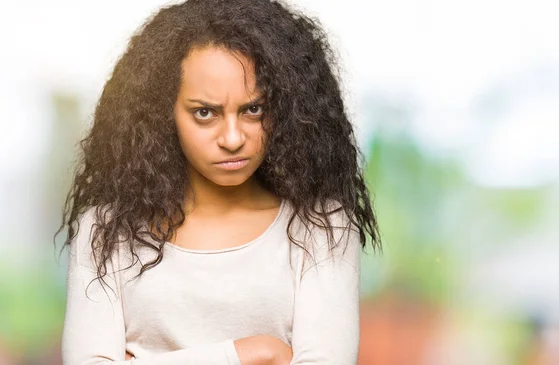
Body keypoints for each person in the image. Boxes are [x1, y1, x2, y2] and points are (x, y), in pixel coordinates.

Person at [56, 0, 381, 364]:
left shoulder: (321, 226)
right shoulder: (105, 231)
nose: (232, 138)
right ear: (163, 113)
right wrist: (255, 353)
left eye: (253, 109)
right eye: (205, 113)